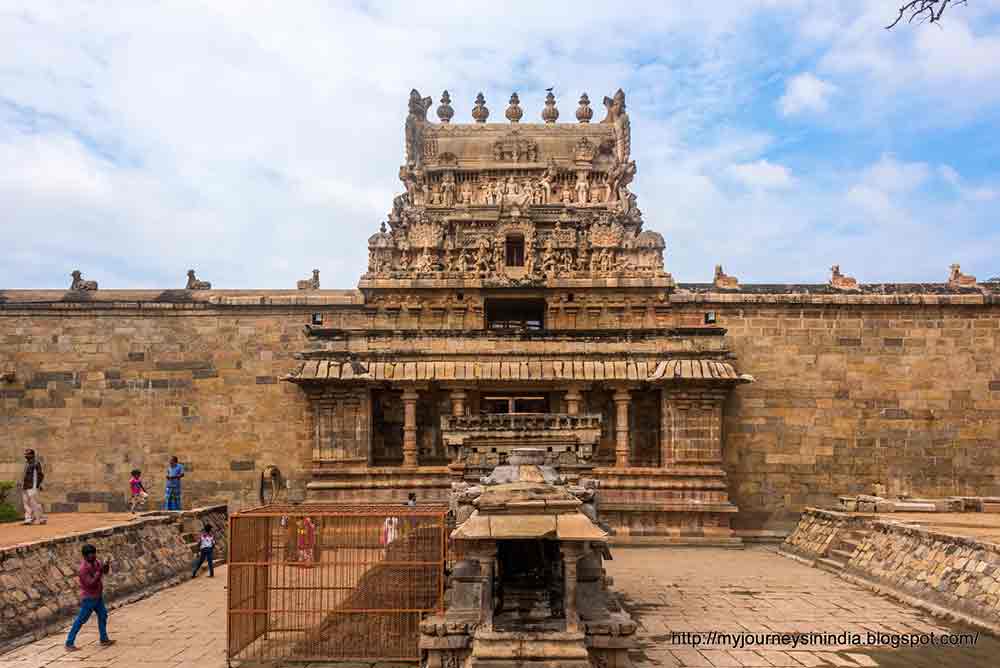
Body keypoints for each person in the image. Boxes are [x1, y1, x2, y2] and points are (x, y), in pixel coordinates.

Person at [65, 544, 115, 651]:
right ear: (85, 556)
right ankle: (69, 643)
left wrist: (106, 565)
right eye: (90, 554)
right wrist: (100, 571)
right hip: (89, 598)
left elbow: (104, 572)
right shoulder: (83, 569)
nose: (92, 556)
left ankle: (104, 638)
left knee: (103, 616)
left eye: (93, 553)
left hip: (97, 596)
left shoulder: (96, 562)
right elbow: (90, 583)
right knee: (81, 620)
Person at [17, 449, 46, 525]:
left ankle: (40, 519)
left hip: (32, 486)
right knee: (26, 503)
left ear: (32, 455)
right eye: (25, 454)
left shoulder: (36, 463)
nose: (26, 455)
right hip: (25, 486)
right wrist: (22, 483)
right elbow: (24, 475)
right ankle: (28, 519)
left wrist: (38, 485)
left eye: (28, 454)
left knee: (34, 503)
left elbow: (40, 475)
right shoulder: (27, 463)